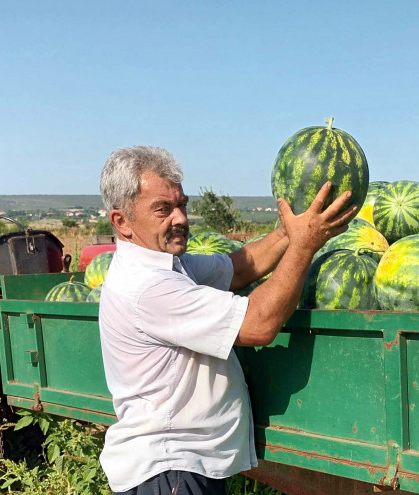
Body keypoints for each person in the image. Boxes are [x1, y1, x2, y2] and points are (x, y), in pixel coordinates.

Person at [97, 146, 355, 495]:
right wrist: (305, 244)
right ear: (122, 221)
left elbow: (238, 268)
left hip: (182, 468)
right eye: (163, 209)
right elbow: (259, 324)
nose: (181, 219)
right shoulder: (148, 288)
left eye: (182, 205)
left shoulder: (168, 264)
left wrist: (289, 231)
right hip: (169, 471)